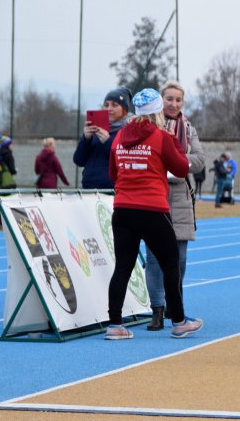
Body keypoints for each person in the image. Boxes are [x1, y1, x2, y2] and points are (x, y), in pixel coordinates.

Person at [105, 88, 202, 340]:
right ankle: (179, 322)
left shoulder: (119, 138)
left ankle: (114, 324)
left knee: (123, 267)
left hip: (122, 209)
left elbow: (114, 174)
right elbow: (181, 168)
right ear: (158, 110)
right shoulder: (161, 136)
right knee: (170, 265)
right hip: (151, 210)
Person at [144, 80, 205, 332]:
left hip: (179, 197)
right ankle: (156, 310)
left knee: (179, 259)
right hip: (153, 194)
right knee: (154, 259)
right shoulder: (146, 126)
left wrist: (175, 160)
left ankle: (174, 305)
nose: (173, 104)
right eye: (169, 99)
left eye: (178, 100)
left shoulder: (188, 129)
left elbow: (200, 159)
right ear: (161, 100)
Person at [73, 87, 133, 189]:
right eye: (106, 105)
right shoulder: (96, 129)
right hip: (89, 189)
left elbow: (126, 161)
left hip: (114, 191)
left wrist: (108, 142)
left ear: (124, 109)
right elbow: (79, 160)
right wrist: (86, 139)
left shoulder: (130, 130)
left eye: (114, 105)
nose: (109, 108)